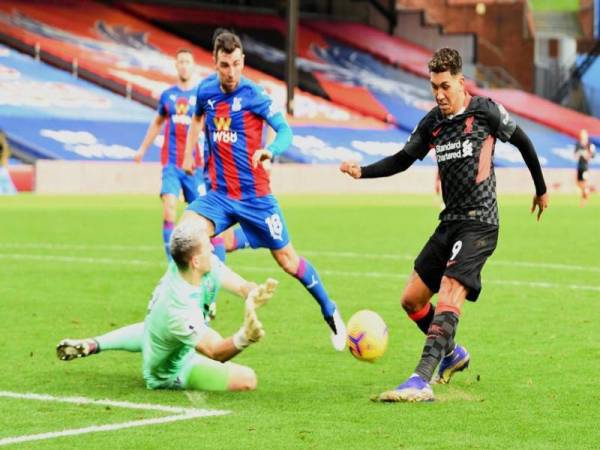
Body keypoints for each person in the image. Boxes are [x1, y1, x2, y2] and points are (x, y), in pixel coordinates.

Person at [340, 48, 549, 402]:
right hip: (449, 223)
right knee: (412, 300)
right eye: (434, 86)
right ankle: (452, 354)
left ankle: (421, 379)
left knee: (451, 290)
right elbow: (403, 160)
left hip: (480, 222)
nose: (439, 94)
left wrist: (541, 189)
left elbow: (524, 142)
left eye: (445, 86)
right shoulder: (433, 122)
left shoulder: (486, 111)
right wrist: (363, 171)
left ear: (461, 83)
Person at [180, 29, 347, 351]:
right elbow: (197, 119)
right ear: (215, 63)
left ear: (243, 62)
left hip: (256, 198)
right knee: (188, 237)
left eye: (237, 64)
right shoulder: (205, 92)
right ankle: (200, 311)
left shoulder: (254, 94)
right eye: (225, 65)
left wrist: (271, 150)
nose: (232, 72)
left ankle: (330, 311)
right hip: (219, 195)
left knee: (287, 260)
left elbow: (284, 130)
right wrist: (189, 153)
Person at [57, 220, 277, 392]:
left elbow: (239, 286)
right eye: (207, 247)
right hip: (171, 371)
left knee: (153, 330)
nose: (212, 246)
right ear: (196, 262)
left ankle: (94, 344)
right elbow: (214, 351)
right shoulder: (179, 309)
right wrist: (244, 338)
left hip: (158, 329)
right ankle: (161, 375)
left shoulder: (192, 266)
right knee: (248, 379)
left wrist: (252, 292)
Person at [574, 129, 596, 207]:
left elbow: (592, 156)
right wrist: (580, 153)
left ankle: (584, 200)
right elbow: (575, 156)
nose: (582, 135)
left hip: (585, 167)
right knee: (578, 182)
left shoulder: (589, 145)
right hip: (579, 166)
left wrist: (587, 154)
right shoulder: (578, 144)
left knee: (584, 182)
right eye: (581, 134)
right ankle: (586, 191)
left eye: (583, 134)